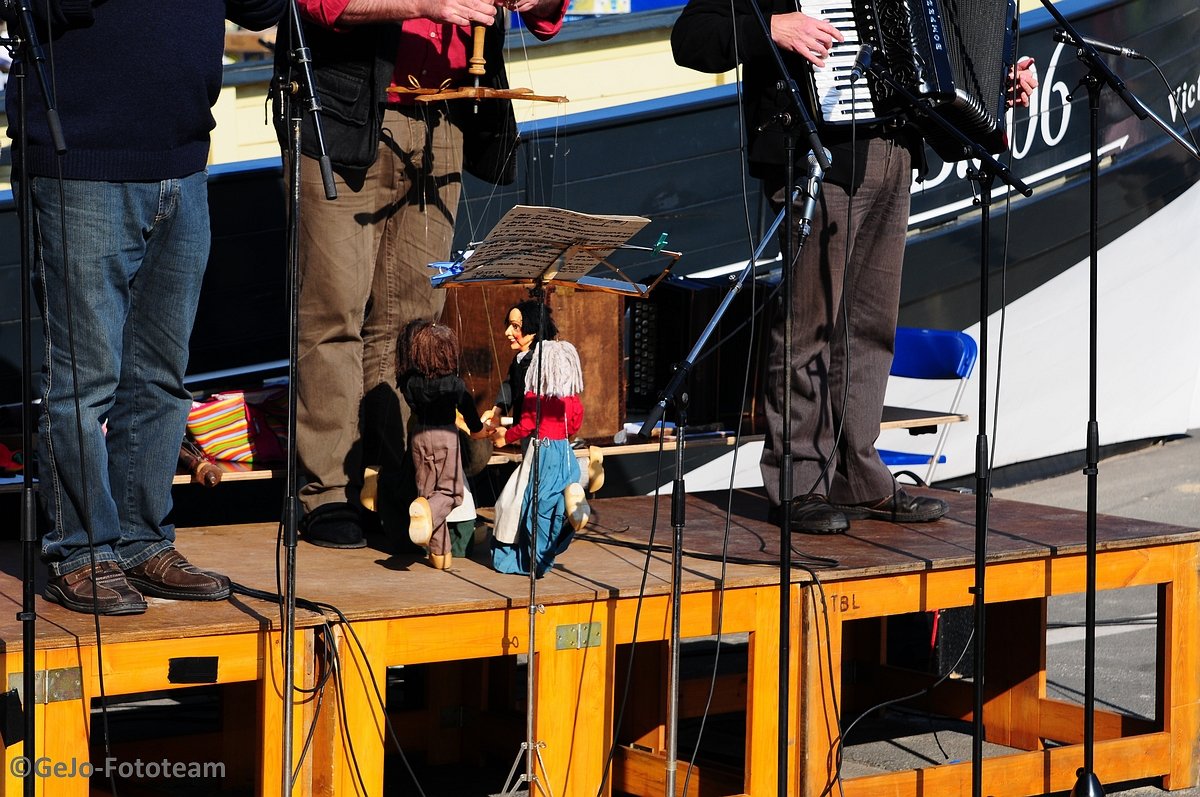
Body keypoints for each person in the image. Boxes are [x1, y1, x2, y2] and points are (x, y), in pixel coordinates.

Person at [671, 1, 1037, 533]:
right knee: (808, 326)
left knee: (871, 328)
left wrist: (992, 81)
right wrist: (772, 28)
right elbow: (690, 38)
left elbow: (937, 49)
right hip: (818, 155)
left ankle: (857, 475)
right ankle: (798, 482)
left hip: (895, 151)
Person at [3, 0, 284, 614]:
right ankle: (82, 552)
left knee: (159, 377)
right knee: (84, 380)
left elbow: (261, 9)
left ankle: (140, 541)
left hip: (181, 162)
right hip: (83, 158)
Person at [281, 0, 569, 550]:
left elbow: (547, 18)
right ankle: (329, 493)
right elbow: (317, 5)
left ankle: (401, 486)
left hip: (445, 118)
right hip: (340, 115)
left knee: (416, 325)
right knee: (332, 313)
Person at [490, 337, 587, 576]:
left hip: (541, 452)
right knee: (553, 504)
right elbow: (574, 427)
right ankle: (571, 502)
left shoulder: (534, 397)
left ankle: (534, 562)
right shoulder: (572, 399)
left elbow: (525, 426)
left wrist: (506, 436)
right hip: (564, 452)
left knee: (524, 504)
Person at [397, 321, 489, 570]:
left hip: (418, 436)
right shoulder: (455, 384)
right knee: (450, 493)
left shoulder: (410, 383)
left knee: (428, 493)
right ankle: (427, 511)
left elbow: (411, 400)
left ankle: (439, 554)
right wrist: (479, 431)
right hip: (445, 436)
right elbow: (471, 415)